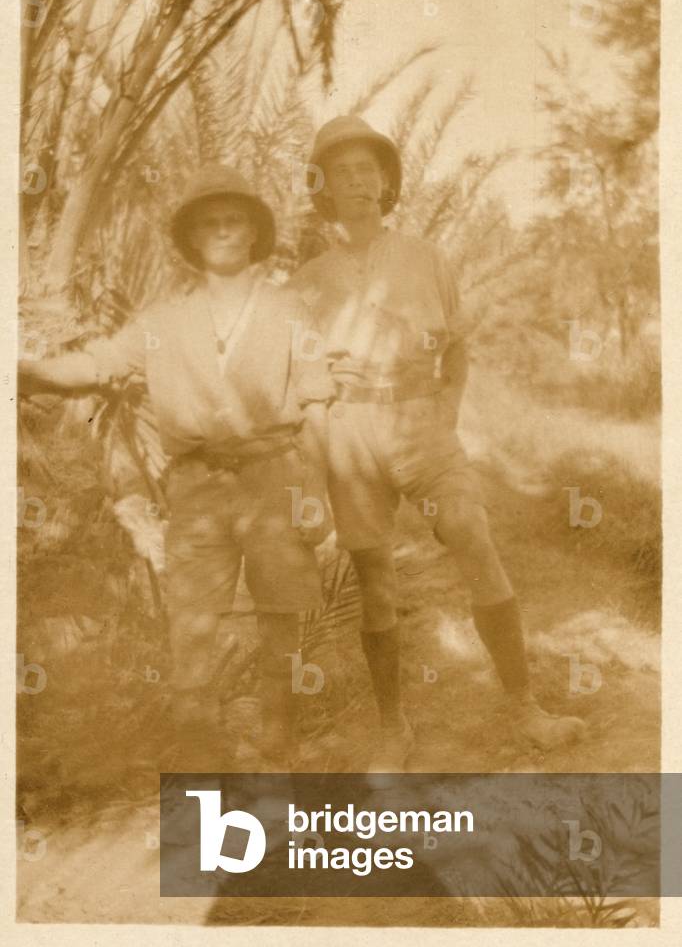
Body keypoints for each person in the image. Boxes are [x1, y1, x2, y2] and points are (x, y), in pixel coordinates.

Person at [289, 116, 586, 772]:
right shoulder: (307, 282)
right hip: (351, 433)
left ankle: (525, 709)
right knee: (374, 579)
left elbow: (455, 349)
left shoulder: (426, 257)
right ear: (325, 190)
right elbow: (289, 374)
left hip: (421, 420)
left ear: (388, 181)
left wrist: (447, 407)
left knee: (471, 536)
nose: (360, 182)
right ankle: (393, 728)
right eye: (344, 173)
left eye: (370, 170)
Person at [19, 163, 335, 770]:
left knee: (281, 621)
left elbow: (317, 405)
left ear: (254, 233)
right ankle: (202, 758)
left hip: (276, 477)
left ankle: (279, 744)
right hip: (196, 486)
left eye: (234, 221)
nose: (222, 231)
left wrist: (315, 495)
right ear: (191, 239)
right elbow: (97, 363)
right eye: (209, 223)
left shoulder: (290, 309)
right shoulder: (163, 323)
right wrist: (27, 371)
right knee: (192, 622)